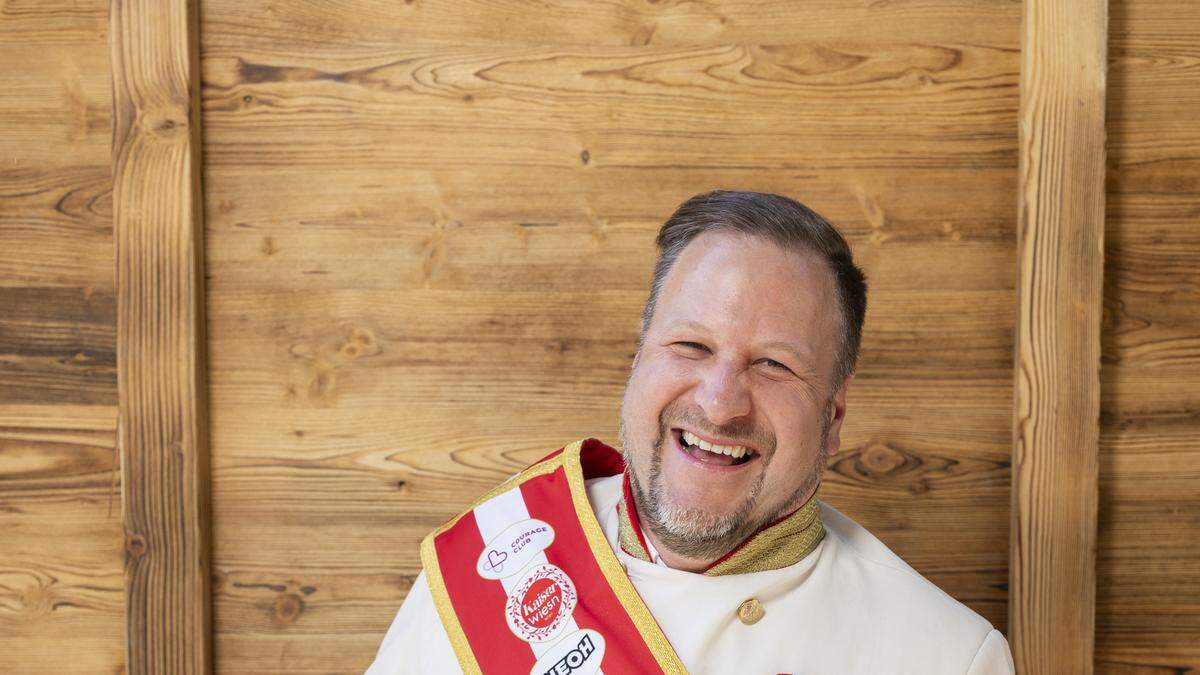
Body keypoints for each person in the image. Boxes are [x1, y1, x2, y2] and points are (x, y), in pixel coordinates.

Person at [366, 191, 1015, 674]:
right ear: (639, 356)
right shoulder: (505, 548)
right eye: (690, 344)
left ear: (833, 419)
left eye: (774, 364)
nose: (720, 401)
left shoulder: (945, 656)